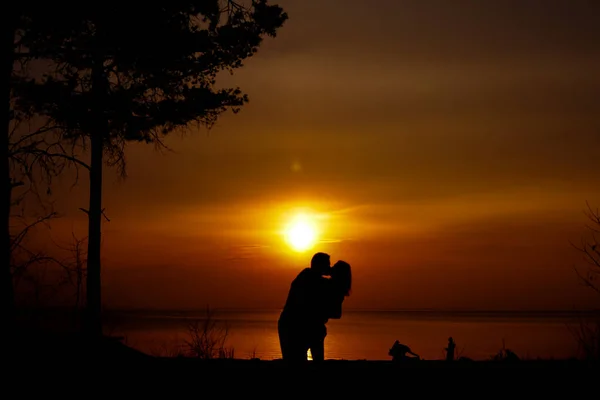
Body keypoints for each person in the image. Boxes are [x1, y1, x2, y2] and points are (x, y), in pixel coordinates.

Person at [278, 252, 331, 362]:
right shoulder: (308, 277)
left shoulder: (310, 277)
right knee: (295, 361)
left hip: (298, 325)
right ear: (320, 265)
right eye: (327, 265)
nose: (329, 268)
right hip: (291, 326)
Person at [307, 260, 352, 362]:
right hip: (317, 327)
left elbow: (337, 313)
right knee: (317, 360)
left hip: (314, 327)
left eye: (334, 267)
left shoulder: (330, 286)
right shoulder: (337, 287)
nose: (331, 268)